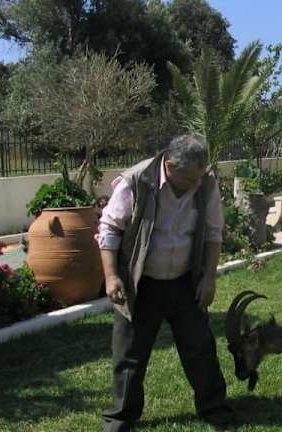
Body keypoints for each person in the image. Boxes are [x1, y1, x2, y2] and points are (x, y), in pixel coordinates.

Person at [97, 135, 235, 431]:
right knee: (129, 355)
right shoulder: (136, 181)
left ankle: (215, 409)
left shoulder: (204, 182)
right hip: (140, 284)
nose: (196, 183)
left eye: (200, 176)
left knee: (200, 349)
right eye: (189, 178)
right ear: (169, 166)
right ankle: (120, 418)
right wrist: (111, 276)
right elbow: (109, 229)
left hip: (185, 282)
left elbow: (213, 232)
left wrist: (209, 277)